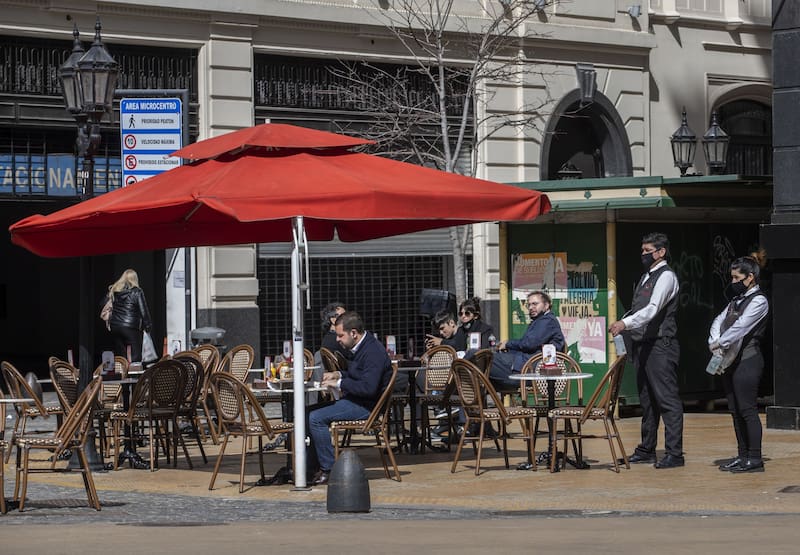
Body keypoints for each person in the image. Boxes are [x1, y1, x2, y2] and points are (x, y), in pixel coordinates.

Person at [609, 232, 683, 469]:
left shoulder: (666, 276)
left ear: (661, 252)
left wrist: (625, 324)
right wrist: (624, 322)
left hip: (661, 345)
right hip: (643, 345)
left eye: (648, 251)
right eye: (642, 251)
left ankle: (674, 453)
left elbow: (652, 309)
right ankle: (646, 449)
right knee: (647, 401)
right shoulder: (645, 277)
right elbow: (637, 309)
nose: (643, 255)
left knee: (667, 400)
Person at [308, 311, 392, 485]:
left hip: (367, 406)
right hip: (357, 401)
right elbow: (358, 374)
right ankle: (309, 467)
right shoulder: (361, 347)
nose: (337, 339)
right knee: (307, 412)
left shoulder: (372, 351)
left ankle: (329, 469)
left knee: (315, 418)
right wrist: (338, 373)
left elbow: (368, 388)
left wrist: (339, 383)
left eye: (340, 335)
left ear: (353, 333)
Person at [708, 254, 769, 473]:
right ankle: (742, 455)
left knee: (747, 410)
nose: (733, 282)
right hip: (730, 360)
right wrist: (713, 341)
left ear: (750, 277)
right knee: (734, 410)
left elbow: (740, 328)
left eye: (736, 278)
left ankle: (755, 458)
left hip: (748, 361)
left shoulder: (759, 301)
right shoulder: (735, 301)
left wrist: (720, 343)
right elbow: (719, 321)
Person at [489, 291, 565, 390]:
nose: (530, 308)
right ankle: (475, 399)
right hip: (524, 365)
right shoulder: (540, 321)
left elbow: (529, 344)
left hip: (531, 370)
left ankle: (469, 400)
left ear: (546, 305)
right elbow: (528, 345)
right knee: (482, 372)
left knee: (481, 358)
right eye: (529, 305)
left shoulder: (547, 321)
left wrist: (508, 344)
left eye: (535, 304)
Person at [107, 268, 152, 363]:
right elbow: (144, 311)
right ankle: (134, 375)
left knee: (121, 355)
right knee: (135, 354)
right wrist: (148, 326)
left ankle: (122, 371)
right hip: (130, 326)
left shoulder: (114, 291)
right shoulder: (137, 291)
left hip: (115, 326)